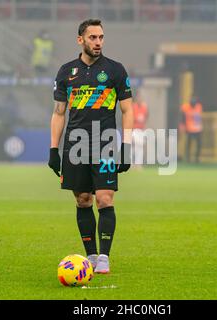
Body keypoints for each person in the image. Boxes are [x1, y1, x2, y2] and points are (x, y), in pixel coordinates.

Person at [48, 19, 133, 274]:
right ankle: (91, 256)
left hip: (105, 140)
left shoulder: (115, 70)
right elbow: (59, 113)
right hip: (75, 143)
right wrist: (54, 149)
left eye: (101, 37)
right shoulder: (66, 72)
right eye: (93, 38)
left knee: (105, 198)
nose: (98, 42)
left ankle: (105, 258)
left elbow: (127, 110)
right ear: (80, 40)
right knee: (83, 199)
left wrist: (126, 146)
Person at [180, 96, 203, 163]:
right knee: (188, 144)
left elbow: (198, 118)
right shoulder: (185, 107)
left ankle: (197, 158)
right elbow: (182, 117)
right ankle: (188, 158)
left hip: (197, 128)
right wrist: (182, 126)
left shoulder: (198, 107)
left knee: (199, 144)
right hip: (189, 128)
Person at [132, 92, 149, 170]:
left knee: (140, 147)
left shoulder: (144, 107)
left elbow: (146, 116)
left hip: (141, 129)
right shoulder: (133, 106)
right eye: (138, 98)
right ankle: (131, 164)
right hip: (134, 129)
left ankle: (138, 164)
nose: (139, 99)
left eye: (140, 98)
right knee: (133, 148)